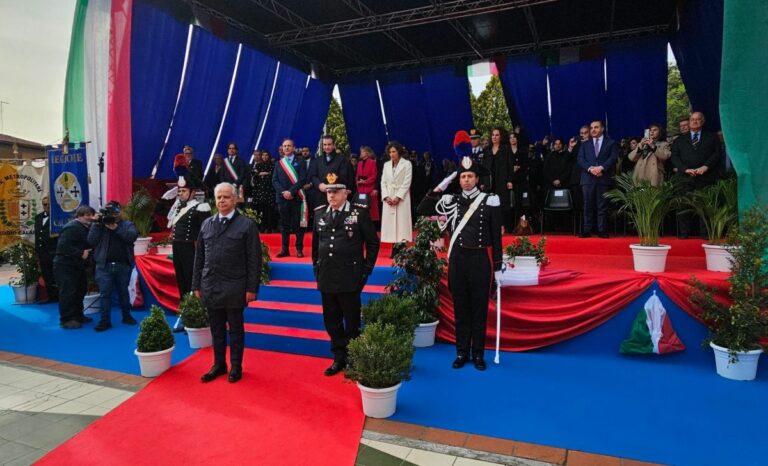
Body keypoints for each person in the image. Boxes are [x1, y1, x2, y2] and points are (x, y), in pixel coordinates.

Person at [417, 155, 502, 371]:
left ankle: (479, 353)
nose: (466, 180)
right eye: (463, 176)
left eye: (470, 176)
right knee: (461, 308)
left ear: (476, 179)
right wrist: (441, 185)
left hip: (480, 260)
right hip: (458, 260)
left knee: (479, 309)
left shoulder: (489, 200)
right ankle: (462, 352)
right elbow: (423, 207)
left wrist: (499, 267)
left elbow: (496, 237)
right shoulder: (452, 200)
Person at [312, 174, 380, 376]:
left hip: (350, 276)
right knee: (331, 320)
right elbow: (316, 246)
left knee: (351, 321)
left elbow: (373, 244)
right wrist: (317, 268)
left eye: (335, 192)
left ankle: (352, 357)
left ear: (346, 193)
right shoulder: (319, 214)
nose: (331, 196)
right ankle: (338, 357)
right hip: (326, 275)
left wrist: (366, 270)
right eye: (329, 192)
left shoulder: (359, 213)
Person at [193, 183, 261, 384]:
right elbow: (199, 257)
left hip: (235, 287)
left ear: (234, 199)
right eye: (219, 197)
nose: (222, 201)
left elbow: (254, 260)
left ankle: (236, 366)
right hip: (211, 286)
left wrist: (251, 289)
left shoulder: (246, 225)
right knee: (216, 329)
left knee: (236, 330)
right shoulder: (207, 224)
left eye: (226, 197)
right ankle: (219, 364)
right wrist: (196, 285)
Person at [167, 176, 211, 331]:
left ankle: (196, 316)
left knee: (192, 281)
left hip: (191, 248)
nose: (181, 193)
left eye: (184, 191)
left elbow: (206, 232)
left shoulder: (201, 207)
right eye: (179, 191)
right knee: (182, 281)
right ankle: (186, 315)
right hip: (177, 247)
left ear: (193, 192)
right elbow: (163, 213)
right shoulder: (178, 207)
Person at [88, 201, 139, 331]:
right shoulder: (100, 225)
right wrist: (97, 224)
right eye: (109, 213)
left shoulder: (127, 224)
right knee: (105, 294)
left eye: (114, 212)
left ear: (119, 212)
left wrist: (116, 228)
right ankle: (105, 321)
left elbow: (132, 237)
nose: (112, 215)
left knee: (124, 292)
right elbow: (91, 241)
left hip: (123, 265)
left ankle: (127, 316)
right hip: (104, 266)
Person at [671, 111, 722, 238]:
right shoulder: (680, 140)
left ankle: (705, 233)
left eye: (698, 119)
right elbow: (674, 157)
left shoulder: (711, 137)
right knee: (683, 205)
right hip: (685, 177)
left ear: (703, 122)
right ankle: (684, 233)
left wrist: (705, 167)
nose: (694, 121)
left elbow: (717, 154)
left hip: (705, 177)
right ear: (689, 121)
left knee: (704, 205)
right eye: (692, 119)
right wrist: (685, 169)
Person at [53, 205, 95, 329]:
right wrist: (81, 253)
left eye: (91, 215)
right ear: (79, 215)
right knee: (68, 292)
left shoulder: (84, 227)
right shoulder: (72, 227)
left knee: (80, 290)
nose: (90, 218)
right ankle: (66, 319)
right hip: (65, 265)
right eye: (87, 215)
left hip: (76, 265)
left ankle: (77, 315)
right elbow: (63, 246)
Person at [577, 120, 618, 238]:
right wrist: (590, 169)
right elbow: (580, 159)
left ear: (602, 129)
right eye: (592, 128)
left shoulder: (610, 143)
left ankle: (601, 230)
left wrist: (601, 168)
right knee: (587, 205)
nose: (593, 130)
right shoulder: (585, 144)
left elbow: (613, 158)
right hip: (587, 179)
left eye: (596, 127)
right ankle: (587, 230)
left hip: (603, 178)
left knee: (602, 205)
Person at [272, 138, 308, 257]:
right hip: (282, 199)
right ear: (282, 148)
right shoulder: (279, 163)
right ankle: (284, 249)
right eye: (284, 146)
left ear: (293, 148)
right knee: (284, 225)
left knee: (297, 225)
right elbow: (275, 180)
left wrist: (291, 192)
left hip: (296, 197)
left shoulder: (301, 161)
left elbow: (303, 179)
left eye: (289, 146)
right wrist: (283, 192)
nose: (286, 148)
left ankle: (299, 249)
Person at [380, 141, 413, 248]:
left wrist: (398, 196)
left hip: (401, 197)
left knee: (402, 223)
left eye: (394, 151)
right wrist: (386, 196)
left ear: (399, 152)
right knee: (390, 224)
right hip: (389, 196)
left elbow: (407, 181)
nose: (392, 154)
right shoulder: (386, 165)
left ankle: (402, 247)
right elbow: (383, 182)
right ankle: (393, 247)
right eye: (390, 152)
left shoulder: (407, 164)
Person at [308, 135, 353, 209]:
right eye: (324, 145)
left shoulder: (342, 160)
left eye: (329, 144)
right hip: (320, 197)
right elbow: (313, 176)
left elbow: (344, 177)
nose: (326, 147)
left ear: (334, 145)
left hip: (336, 196)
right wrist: (319, 185)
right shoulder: (317, 160)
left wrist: (330, 187)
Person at [34, 196, 58, 302]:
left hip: (54, 252)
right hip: (42, 253)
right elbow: (37, 235)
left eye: (49, 204)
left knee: (56, 276)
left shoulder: (57, 217)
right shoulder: (38, 217)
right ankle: (51, 297)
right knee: (47, 276)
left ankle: (59, 297)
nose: (47, 206)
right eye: (45, 204)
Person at [250, 150, 277, 233]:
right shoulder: (258, 165)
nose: (264, 157)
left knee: (269, 210)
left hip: (269, 191)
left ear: (269, 156)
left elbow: (273, 175)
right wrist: (261, 174)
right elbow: (253, 174)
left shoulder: (273, 165)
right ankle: (262, 228)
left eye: (266, 155)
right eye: (263, 155)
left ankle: (270, 228)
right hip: (259, 191)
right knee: (260, 210)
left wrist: (262, 173)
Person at [356, 146, 380, 223]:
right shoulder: (359, 163)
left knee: (371, 210)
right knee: (361, 208)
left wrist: (365, 181)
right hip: (361, 189)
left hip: (369, 189)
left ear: (367, 153)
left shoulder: (372, 162)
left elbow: (374, 175)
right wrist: (357, 181)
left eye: (362, 152)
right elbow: (357, 175)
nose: (360, 153)